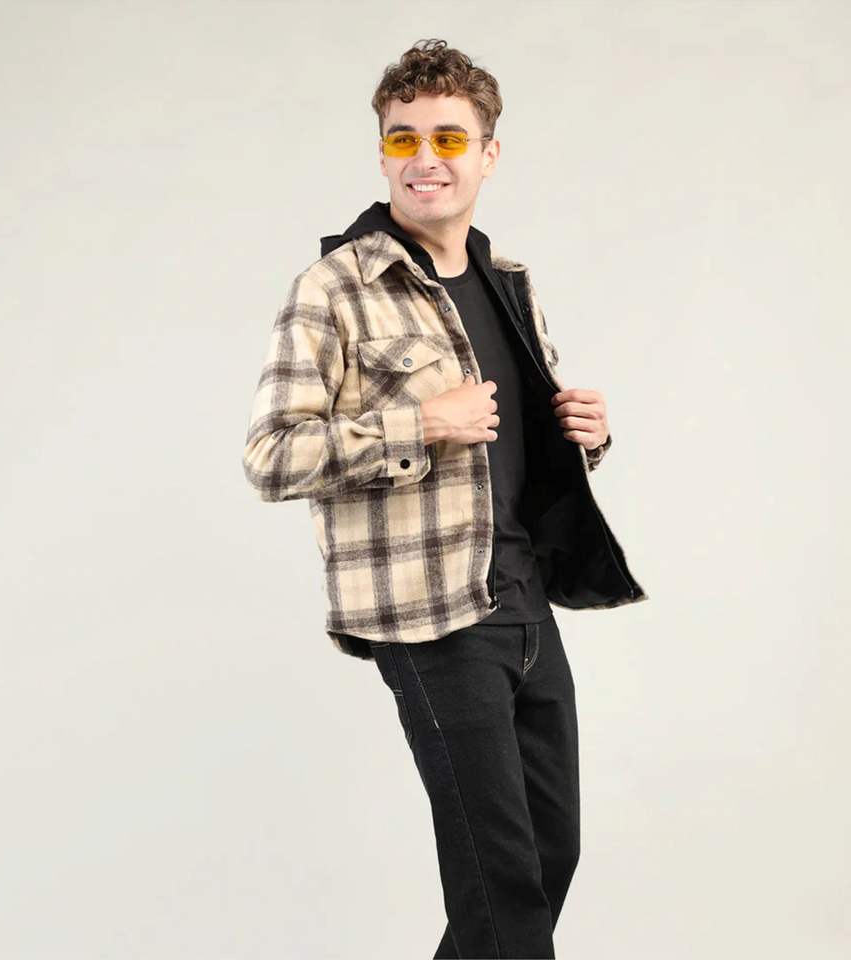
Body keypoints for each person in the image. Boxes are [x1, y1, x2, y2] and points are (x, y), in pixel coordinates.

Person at [242, 37, 647, 960]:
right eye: (404, 139)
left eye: (449, 139)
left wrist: (585, 435)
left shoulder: (509, 285)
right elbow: (270, 456)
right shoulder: (334, 290)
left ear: (488, 154)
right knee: (499, 881)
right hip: (430, 617)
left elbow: (512, 452)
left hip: (525, 601)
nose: (425, 159)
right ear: (382, 152)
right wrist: (418, 424)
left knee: (545, 859)